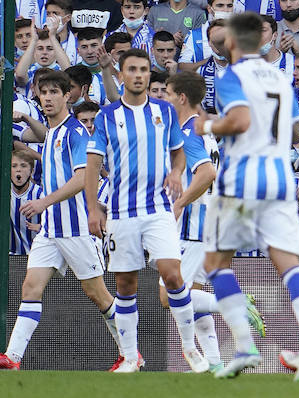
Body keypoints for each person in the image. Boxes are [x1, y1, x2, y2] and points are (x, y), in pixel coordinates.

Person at [196, 12, 299, 380]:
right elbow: (293, 131)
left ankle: (245, 346)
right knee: (290, 264)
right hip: (280, 178)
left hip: (242, 178)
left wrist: (207, 124)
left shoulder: (232, 76)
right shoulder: (281, 78)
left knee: (216, 264)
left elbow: (238, 121)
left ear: (232, 41)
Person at [0, 72, 127, 371]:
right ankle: (12, 357)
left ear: (67, 96)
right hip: (51, 229)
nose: (48, 98)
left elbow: (83, 178)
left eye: (54, 92)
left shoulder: (75, 132)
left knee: (98, 294)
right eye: (43, 93)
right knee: (30, 287)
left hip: (75, 227)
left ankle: (130, 352)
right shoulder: (52, 132)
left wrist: (44, 202)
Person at [84, 50, 208, 373]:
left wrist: (177, 172)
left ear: (149, 76)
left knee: (173, 274)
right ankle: (129, 357)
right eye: (132, 70)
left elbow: (178, 153)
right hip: (121, 212)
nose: (138, 75)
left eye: (143, 70)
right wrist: (93, 209)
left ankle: (190, 348)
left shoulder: (165, 111)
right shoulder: (106, 116)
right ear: (121, 75)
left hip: (158, 209)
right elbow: (93, 166)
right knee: (126, 285)